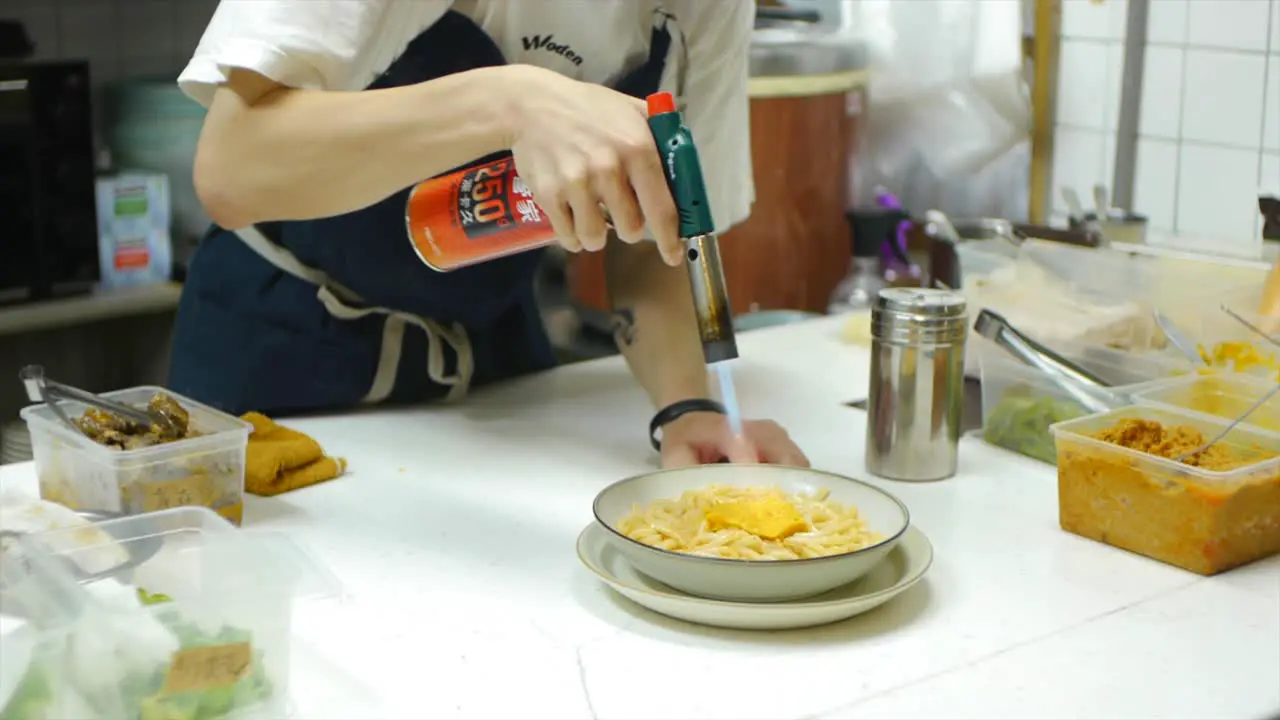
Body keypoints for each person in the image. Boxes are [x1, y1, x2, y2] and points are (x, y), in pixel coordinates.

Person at [171, 0, 809, 469]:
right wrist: (511, 105)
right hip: (278, 354)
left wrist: (685, 407)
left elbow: (652, 239)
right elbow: (232, 167)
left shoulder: (712, 9)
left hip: (491, 367)